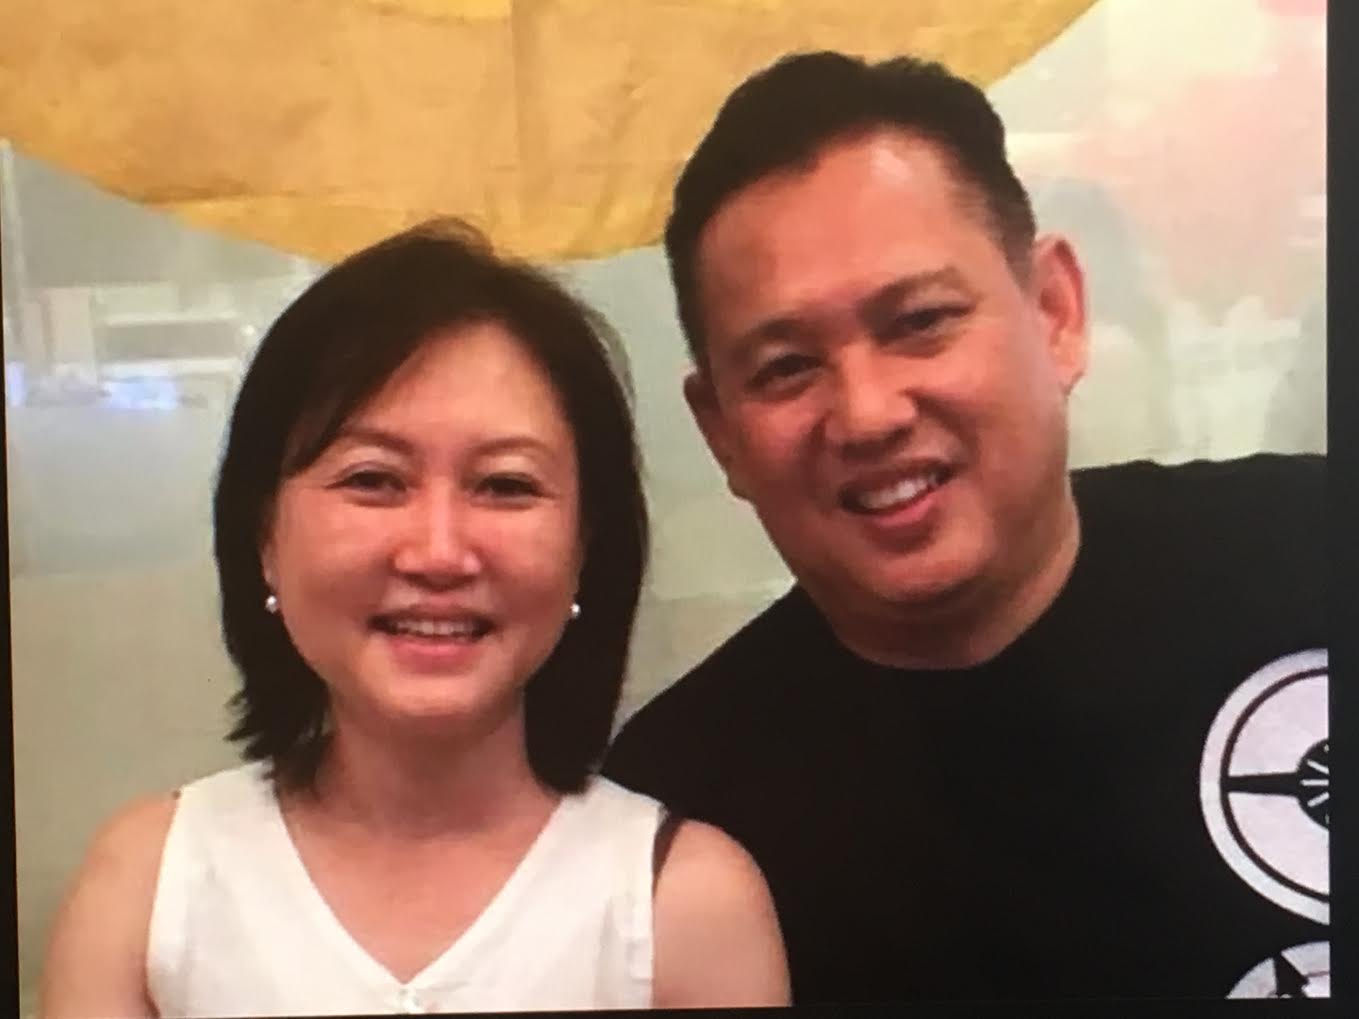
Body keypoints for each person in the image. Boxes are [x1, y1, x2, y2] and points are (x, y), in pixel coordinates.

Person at [604, 52, 1327, 1002]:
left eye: (919, 321)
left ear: (1054, 311)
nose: (867, 413)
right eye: (785, 367)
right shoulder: (671, 830)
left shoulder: (1315, 547)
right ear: (720, 432)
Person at [40, 220, 789, 1017]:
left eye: (505, 485)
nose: (439, 552)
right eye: (373, 479)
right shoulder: (149, 886)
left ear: (585, 549)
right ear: (263, 536)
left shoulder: (683, 904)